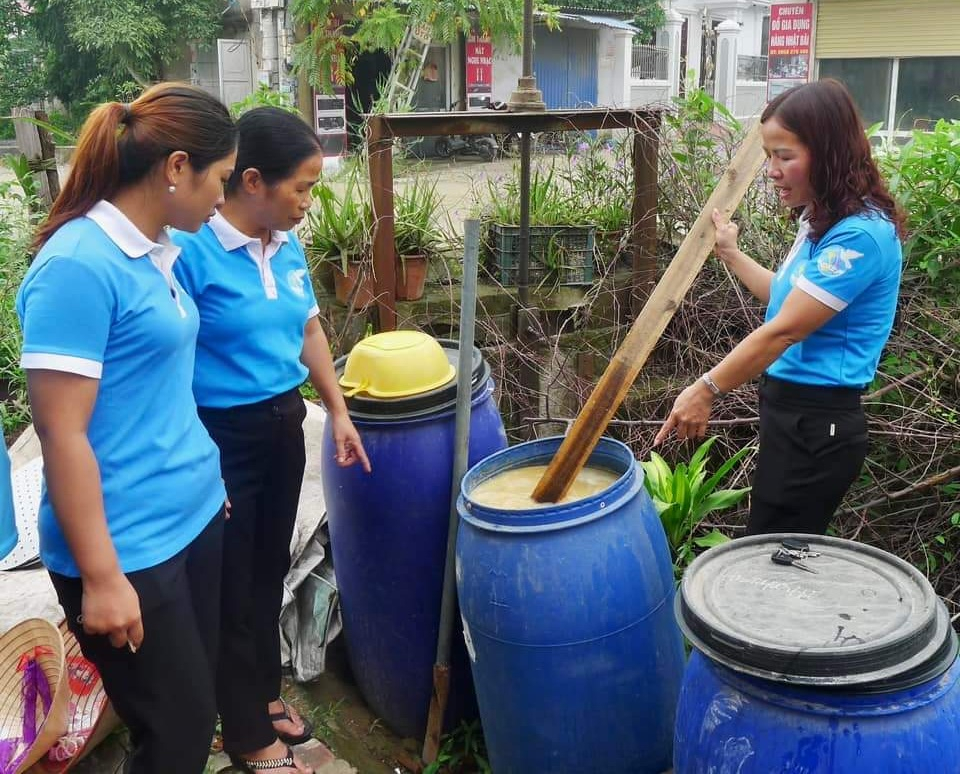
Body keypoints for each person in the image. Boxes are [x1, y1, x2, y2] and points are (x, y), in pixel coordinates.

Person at [16, 83, 238, 773]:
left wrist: (206, 481)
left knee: (195, 711)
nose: (222, 201)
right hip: (128, 549)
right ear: (177, 168)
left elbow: (157, 392)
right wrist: (103, 577)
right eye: (221, 181)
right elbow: (62, 434)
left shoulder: (158, 249)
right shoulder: (79, 267)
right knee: (174, 733)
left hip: (192, 518)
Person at [172, 107, 370, 774]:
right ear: (251, 181)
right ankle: (247, 735)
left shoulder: (286, 246)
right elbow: (166, 359)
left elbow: (309, 330)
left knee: (264, 578)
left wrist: (336, 410)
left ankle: (258, 696)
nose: (308, 204)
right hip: (218, 439)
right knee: (229, 589)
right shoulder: (191, 251)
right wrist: (193, 460)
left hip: (281, 426)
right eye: (302, 189)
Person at [655, 79, 905, 536]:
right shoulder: (821, 221)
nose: (771, 170)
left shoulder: (859, 236)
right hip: (790, 411)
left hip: (819, 420)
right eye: (769, 155)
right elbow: (784, 299)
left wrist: (706, 388)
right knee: (770, 547)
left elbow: (785, 330)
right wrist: (731, 253)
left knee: (774, 559)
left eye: (785, 156)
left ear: (830, 153)